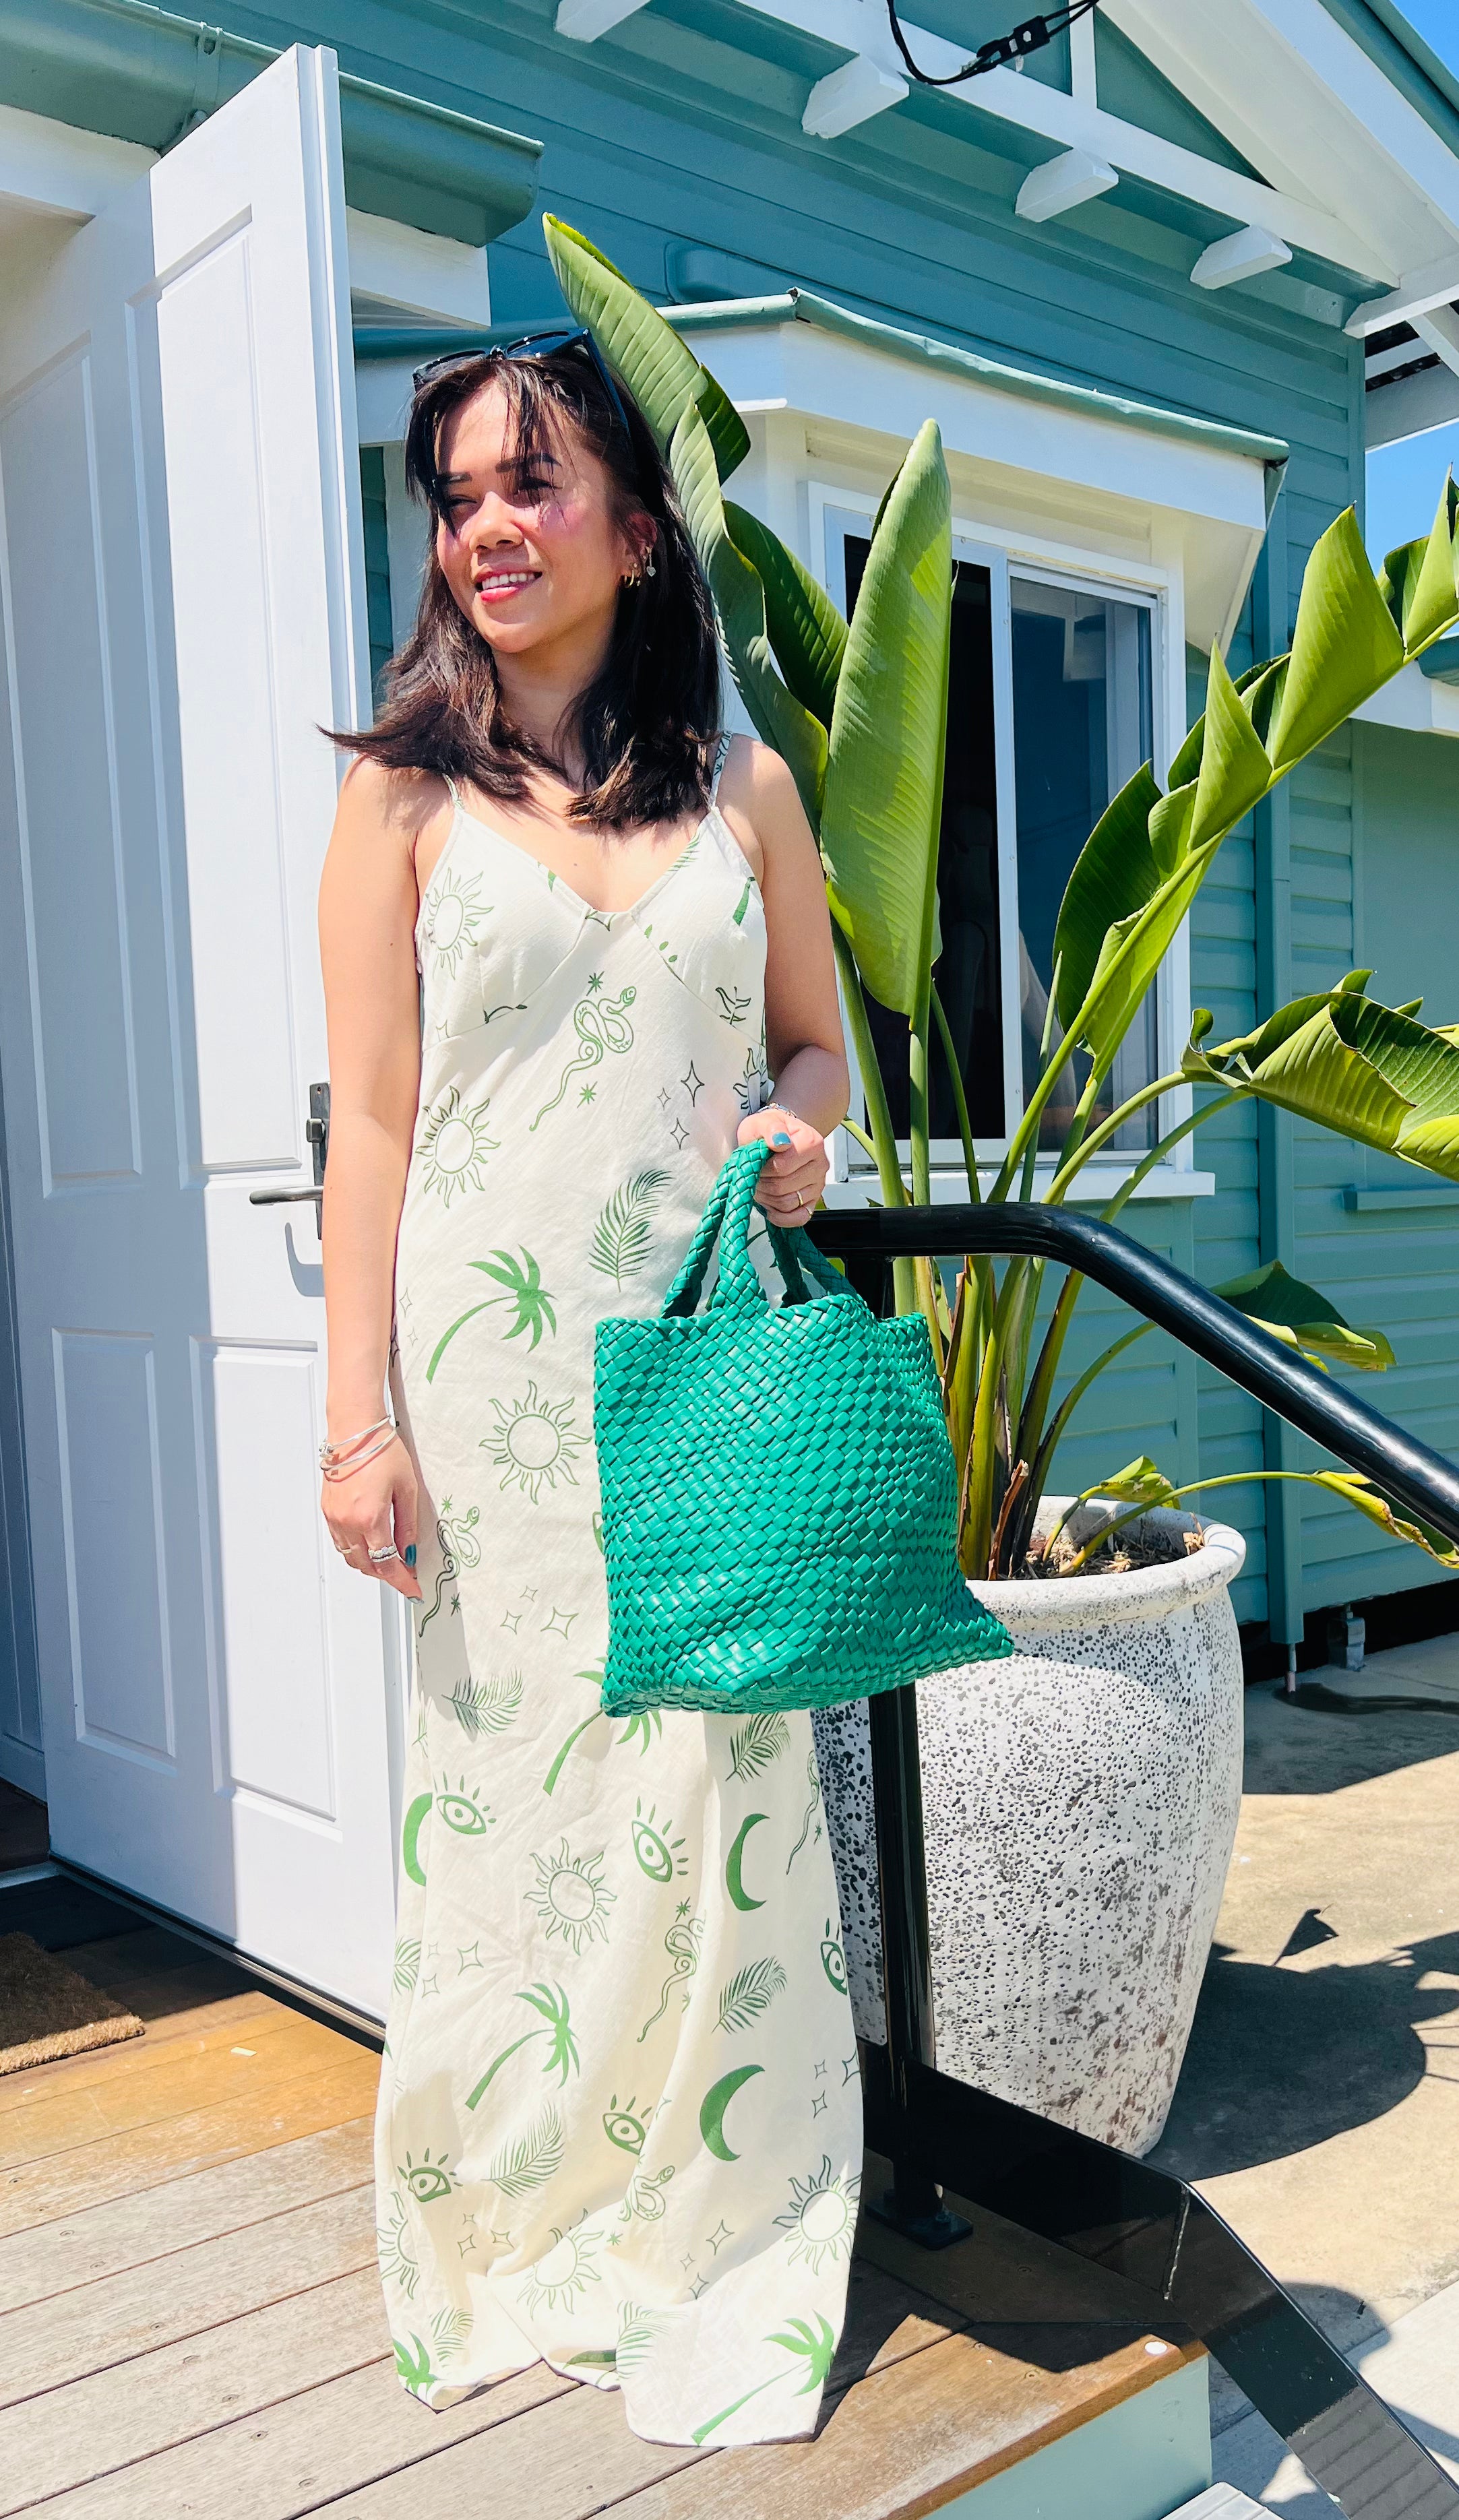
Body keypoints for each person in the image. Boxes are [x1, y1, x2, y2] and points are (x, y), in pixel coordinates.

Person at [316, 335, 861, 2447]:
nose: (491, 530)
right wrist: (355, 1414)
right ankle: (528, 2196)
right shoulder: (401, 795)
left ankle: (711, 2212)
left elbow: (813, 1046)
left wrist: (811, 1140)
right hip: (491, 1404)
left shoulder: (746, 792)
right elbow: (370, 1123)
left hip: (704, 1367)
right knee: (521, 1827)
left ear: (637, 522)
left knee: (715, 1806)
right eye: (459, 497)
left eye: (532, 486)